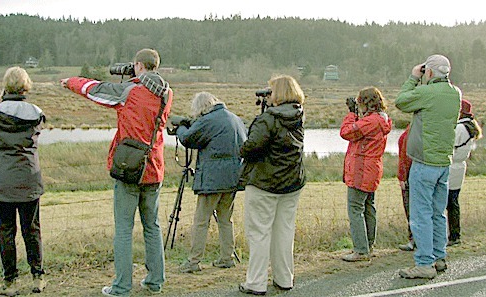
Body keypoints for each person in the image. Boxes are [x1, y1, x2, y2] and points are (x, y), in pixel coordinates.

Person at [61, 48, 173, 296]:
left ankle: (122, 286)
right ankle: (155, 281)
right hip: (154, 166)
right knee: (152, 226)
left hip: (129, 168)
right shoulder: (167, 93)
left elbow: (96, 90)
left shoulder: (131, 92)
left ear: (139, 66)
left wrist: (70, 82)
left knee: (124, 227)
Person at [0, 66, 46, 296]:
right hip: (29, 176)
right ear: (26, 85)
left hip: (3, 179)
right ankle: (37, 276)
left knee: (6, 230)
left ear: (5, 86)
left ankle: (10, 282)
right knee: (32, 228)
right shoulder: (36, 112)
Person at [395, 54, 461, 279]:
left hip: (424, 162)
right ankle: (438, 256)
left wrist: (413, 77)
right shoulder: (455, 94)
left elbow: (401, 101)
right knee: (437, 213)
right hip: (444, 161)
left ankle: (424, 263)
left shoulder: (426, 92)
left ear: (429, 72)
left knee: (420, 214)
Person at [238, 75, 305, 295]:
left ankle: (256, 282)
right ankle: (284, 278)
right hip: (291, 182)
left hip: (264, 183)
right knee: (284, 231)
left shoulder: (268, 119)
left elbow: (250, 148)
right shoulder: (298, 115)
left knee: (259, 233)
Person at [174, 92, 247, 273]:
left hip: (213, 179)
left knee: (201, 221)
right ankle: (226, 257)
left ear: (200, 107)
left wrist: (180, 127)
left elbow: (188, 139)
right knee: (225, 220)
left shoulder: (209, 120)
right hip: (233, 177)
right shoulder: (234, 118)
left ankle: (193, 261)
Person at [340, 87, 392, 262]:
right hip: (371, 169)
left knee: (355, 209)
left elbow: (346, 132)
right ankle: (368, 245)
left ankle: (361, 250)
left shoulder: (371, 121)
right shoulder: (380, 120)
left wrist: (351, 115)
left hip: (361, 170)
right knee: (369, 206)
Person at [446, 99, 483, 246]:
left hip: (451, 166)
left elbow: (449, 145)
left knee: (448, 203)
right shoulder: (469, 127)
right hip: (459, 167)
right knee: (453, 202)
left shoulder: (460, 128)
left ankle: (451, 235)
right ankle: (455, 235)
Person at [397, 125, 415, 251]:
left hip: (411, 173)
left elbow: (405, 155)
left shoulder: (412, 129)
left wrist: (402, 176)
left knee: (411, 208)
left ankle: (413, 239)